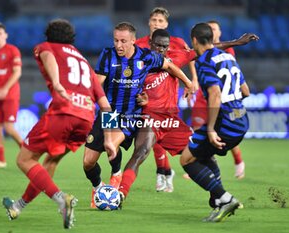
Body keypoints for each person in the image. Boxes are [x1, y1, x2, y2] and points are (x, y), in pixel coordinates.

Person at [118, 29, 259, 202]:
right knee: (141, 152)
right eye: (158, 46)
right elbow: (125, 89)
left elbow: (207, 48)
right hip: (149, 118)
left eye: (165, 46)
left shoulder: (175, 57)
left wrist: (236, 42)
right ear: (150, 44)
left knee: (203, 154)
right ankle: (120, 194)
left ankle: (218, 196)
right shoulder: (139, 63)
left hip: (172, 122)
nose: (161, 50)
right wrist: (138, 98)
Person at [1, 19, 115, 229]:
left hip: (63, 113)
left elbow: (49, 57)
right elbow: (106, 105)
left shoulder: (45, 47)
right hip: (86, 119)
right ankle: (18, 206)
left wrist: (56, 83)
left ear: (48, 35)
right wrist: (108, 139)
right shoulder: (84, 62)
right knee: (50, 163)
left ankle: (62, 200)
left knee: (24, 160)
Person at [83, 22, 193, 207]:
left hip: (130, 116)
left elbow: (169, 66)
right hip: (107, 112)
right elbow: (97, 85)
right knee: (88, 162)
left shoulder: (146, 57)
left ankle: (116, 174)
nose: (119, 45)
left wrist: (188, 83)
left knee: (111, 144)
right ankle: (98, 186)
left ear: (133, 41)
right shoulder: (107, 55)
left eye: (123, 41)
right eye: (116, 40)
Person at [180, 23, 250, 222]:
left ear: (194, 40)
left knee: (186, 160)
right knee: (204, 156)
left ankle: (225, 199)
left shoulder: (203, 61)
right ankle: (218, 202)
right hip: (241, 120)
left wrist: (211, 128)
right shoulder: (229, 57)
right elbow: (246, 92)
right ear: (211, 39)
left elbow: (215, 93)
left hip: (224, 124)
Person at [135, 6, 198, 192]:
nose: (156, 24)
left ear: (166, 24)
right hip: (145, 95)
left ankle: (164, 171)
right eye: (154, 20)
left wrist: (192, 79)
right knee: (152, 136)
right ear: (149, 22)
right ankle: (164, 171)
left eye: (160, 21)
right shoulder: (139, 44)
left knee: (157, 132)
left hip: (167, 92)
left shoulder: (177, 42)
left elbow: (190, 56)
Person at [0, 22, 23, 169]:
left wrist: (5, 89)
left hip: (10, 94)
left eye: (0, 33)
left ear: (5, 35)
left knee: (8, 128)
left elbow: (17, 72)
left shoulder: (13, 50)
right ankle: (1, 160)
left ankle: (27, 152)